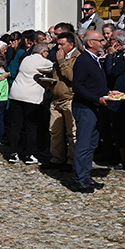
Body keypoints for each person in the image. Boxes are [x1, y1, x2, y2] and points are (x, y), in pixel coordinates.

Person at [70, 31, 111, 193]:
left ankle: (86, 176)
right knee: (84, 144)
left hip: (95, 107)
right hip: (85, 107)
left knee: (92, 144)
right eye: (100, 41)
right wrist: (97, 98)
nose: (103, 43)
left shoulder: (94, 60)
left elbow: (94, 83)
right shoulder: (83, 61)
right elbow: (78, 86)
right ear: (90, 43)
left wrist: (108, 92)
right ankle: (79, 179)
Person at [4, 42, 52, 164]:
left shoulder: (26, 59)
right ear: (43, 52)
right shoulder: (44, 62)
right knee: (31, 126)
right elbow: (54, 69)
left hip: (16, 93)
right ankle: (28, 154)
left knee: (16, 125)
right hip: (31, 97)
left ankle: (13, 153)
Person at [48, 32, 79, 171]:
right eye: (58, 44)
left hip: (70, 99)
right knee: (55, 131)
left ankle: (71, 161)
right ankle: (56, 159)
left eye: (62, 44)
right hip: (56, 99)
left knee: (72, 132)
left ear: (71, 45)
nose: (59, 47)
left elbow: (72, 77)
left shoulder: (77, 58)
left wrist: (61, 62)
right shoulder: (58, 57)